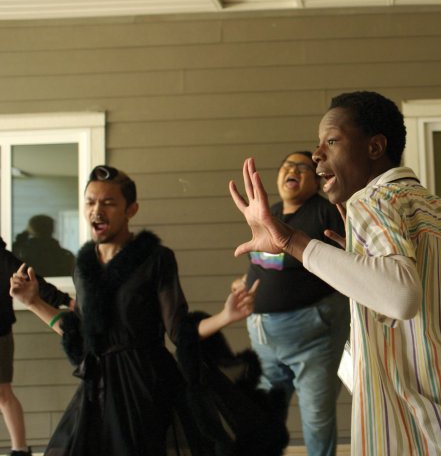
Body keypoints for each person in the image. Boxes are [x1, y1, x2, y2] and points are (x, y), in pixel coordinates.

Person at [229, 91, 441, 455]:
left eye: (332, 141)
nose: (317, 153)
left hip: (424, 430)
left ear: (374, 147)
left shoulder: (372, 199)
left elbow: (401, 296)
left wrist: (292, 242)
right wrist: (353, 265)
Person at [10, 165, 289, 456]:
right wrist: (34, 302)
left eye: (108, 202)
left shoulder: (155, 259)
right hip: (99, 390)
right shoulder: (84, 266)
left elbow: (179, 330)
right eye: (91, 202)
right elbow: (79, 334)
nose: (97, 210)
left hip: (146, 385)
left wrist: (225, 316)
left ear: (131, 209)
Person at [231, 151, 349, 456]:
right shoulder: (268, 213)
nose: (292, 170)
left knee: (316, 418)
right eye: (287, 165)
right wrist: (244, 283)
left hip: (313, 339)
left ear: (315, 179)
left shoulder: (325, 213)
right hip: (264, 341)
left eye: (301, 167)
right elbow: (263, 261)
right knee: (264, 417)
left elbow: (347, 266)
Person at [1, 238, 72, 456]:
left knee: (2, 392)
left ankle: (19, 450)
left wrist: (67, 301)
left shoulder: (1, 258)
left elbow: (33, 282)